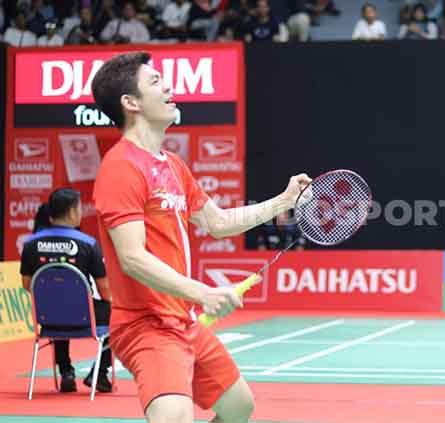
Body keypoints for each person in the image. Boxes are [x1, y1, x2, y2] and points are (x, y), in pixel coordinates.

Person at [91, 52, 311, 423]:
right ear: (131, 103)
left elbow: (219, 222)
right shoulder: (121, 167)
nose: (169, 87)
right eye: (156, 82)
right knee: (175, 417)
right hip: (146, 324)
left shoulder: (172, 165)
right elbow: (132, 257)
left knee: (239, 407)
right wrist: (203, 293)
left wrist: (283, 201)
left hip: (182, 320)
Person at [20, 188, 113, 393]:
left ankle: (66, 371)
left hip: (47, 319)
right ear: (72, 212)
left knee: (58, 305)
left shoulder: (30, 244)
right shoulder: (88, 243)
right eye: (79, 208)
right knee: (120, 314)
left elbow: (28, 285)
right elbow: (105, 291)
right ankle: (100, 372)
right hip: (85, 316)